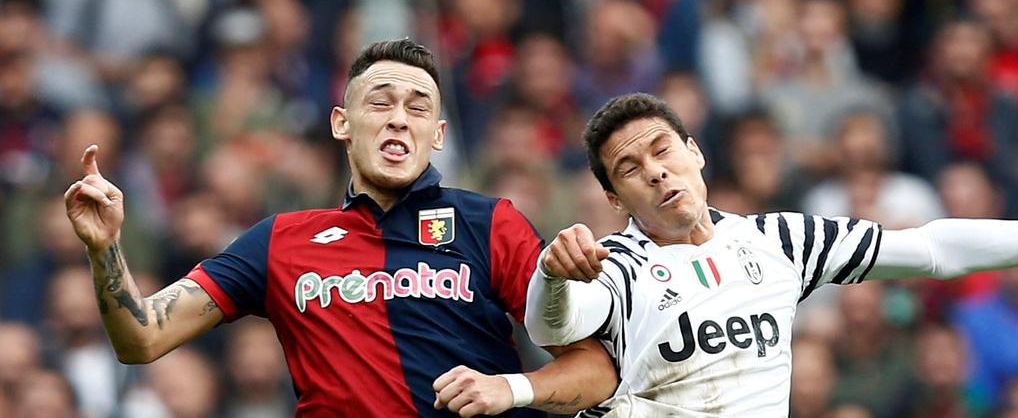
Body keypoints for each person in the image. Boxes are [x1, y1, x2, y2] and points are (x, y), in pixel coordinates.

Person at [479, 92, 1018, 416]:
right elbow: (555, 328)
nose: (655, 171)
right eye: (630, 168)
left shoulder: (777, 241)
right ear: (613, 198)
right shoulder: (618, 268)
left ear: (694, 153)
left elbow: (931, 248)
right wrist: (551, 272)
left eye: (663, 150)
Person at [63, 38, 616, 417]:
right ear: (341, 124)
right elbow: (141, 339)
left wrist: (509, 389)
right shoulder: (279, 240)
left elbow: (596, 371)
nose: (400, 117)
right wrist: (105, 247)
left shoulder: (491, 223)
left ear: (439, 134)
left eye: (419, 107)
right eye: (380, 102)